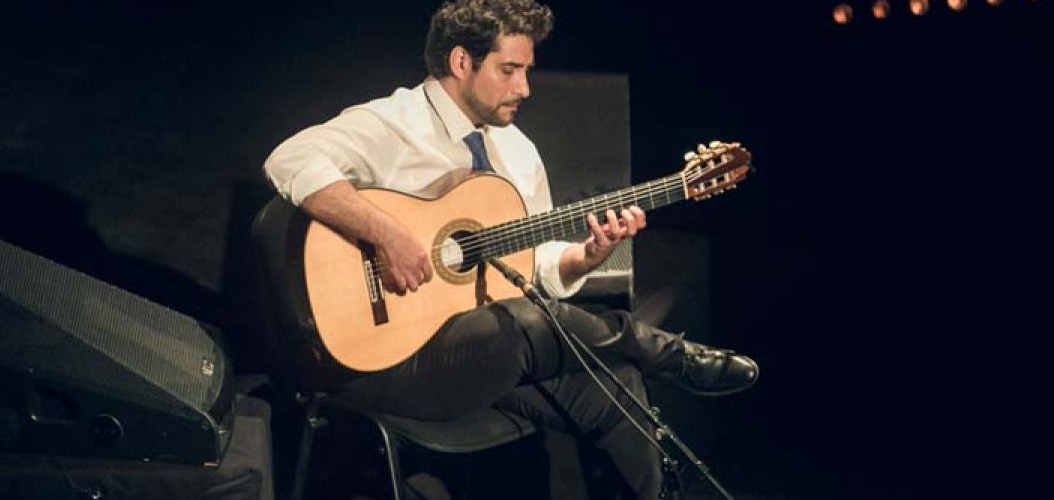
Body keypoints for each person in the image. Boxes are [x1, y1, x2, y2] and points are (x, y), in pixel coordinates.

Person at [262, 1, 759, 497]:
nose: (524, 88)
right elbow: (290, 158)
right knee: (522, 321)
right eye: (509, 70)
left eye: (526, 71)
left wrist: (586, 256)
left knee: (616, 384)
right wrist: (385, 233)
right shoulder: (395, 123)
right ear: (461, 63)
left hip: (482, 359)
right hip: (384, 364)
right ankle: (667, 353)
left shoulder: (517, 151)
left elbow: (534, 268)